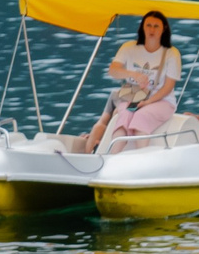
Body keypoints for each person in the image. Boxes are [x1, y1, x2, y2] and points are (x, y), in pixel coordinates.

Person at [75, 10, 181, 152]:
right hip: (135, 97)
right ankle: (111, 156)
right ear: (142, 27)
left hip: (162, 101)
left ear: (164, 29)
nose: (152, 29)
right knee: (124, 115)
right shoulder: (129, 48)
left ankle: (142, 157)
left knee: (142, 116)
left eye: (156, 26)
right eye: (148, 25)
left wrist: (147, 102)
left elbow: (168, 87)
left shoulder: (171, 53)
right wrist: (133, 74)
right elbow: (113, 70)